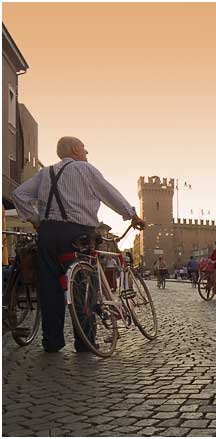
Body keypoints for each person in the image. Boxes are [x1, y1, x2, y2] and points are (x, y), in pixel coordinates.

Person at [12, 136, 145, 353]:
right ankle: (85, 342)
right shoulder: (85, 169)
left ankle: (52, 341)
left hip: (48, 234)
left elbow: (19, 194)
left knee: (49, 288)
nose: (86, 153)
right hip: (78, 234)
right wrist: (132, 215)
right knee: (84, 286)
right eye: (84, 149)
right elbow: (109, 193)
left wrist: (35, 220)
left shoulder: (46, 173)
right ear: (75, 149)